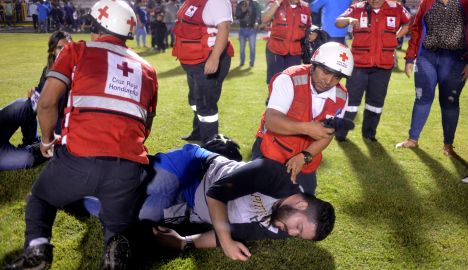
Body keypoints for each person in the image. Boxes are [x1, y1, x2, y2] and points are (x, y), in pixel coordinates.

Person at [6, 1, 158, 269]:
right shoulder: (148, 70)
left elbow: (46, 103)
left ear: (96, 26)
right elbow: (145, 127)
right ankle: (116, 249)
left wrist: (46, 141)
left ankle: (38, 249)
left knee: (41, 199)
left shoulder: (77, 50)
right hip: (127, 169)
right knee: (118, 229)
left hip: (78, 159)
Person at [82, 142, 335, 262]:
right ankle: (84, 169)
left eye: (298, 235)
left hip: (190, 208)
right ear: (301, 205)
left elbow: (234, 232)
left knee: (142, 214)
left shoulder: (281, 226)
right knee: (143, 186)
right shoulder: (274, 175)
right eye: (298, 227)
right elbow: (217, 194)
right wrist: (226, 243)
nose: (291, 233)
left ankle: (77, 199)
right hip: (194, 168)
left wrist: (185, 243)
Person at [251, 42, 354, 195]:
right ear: (314, 65)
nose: (328, 81)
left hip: (306, 157)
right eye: (325, 72)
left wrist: (304, 157)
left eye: (337, 77)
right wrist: (307, 128)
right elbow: (271, 121)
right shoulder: (289, 78)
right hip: (272, 149)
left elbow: (327, 134)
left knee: (304, 204)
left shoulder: (341, 95)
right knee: (260, 200)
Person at [395, 0, 468, 156]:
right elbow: (417, 28)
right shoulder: (427, 2)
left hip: (456, 60)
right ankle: (412, 139)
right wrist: (409, 58)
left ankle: (448, 145)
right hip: (427, 57)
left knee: (449, 102)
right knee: (422, 97)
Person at [334, 0, 412, 142]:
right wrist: (349, 19)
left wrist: (397, 36)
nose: (375, 1)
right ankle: (341, 132)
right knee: (351, 100)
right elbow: (338, 22)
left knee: (375, 102)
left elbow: (409, 22)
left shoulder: (396, 8)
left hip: (383, 66)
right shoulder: (357, 8)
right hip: (358, 65)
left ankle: (369, 134)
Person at [0, 30, 71, 171]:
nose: (65, 51)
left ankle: (32, 141)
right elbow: (44, 104)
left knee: (23, 106)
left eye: (68, 47)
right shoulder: (48, 71)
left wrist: (36, 97)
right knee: (29, 159)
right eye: (60, 47)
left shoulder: (73, 71)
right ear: (52, 51)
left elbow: (40, 104)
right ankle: (37, 147)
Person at [172, 0, 234, 143]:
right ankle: (198, 132)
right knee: (194, 99)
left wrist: (214, 58)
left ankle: (210, 142)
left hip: (207, 59)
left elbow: (224, 28)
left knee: (206, 103)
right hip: (192, 60)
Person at [262, 0, 311, 84]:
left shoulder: (305, 7)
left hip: (295, 52)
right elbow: (264, 19)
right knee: (275, 81)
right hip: (275, 50)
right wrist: (277, 2)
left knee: (291, 82)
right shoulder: (275, 3)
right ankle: (272, 97)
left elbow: (308, 27)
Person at [235, 0, 261, 67]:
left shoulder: (255, 4)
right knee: (242, 48)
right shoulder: (240, 4)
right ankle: (242, 62)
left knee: (252, 47)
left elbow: (258, 14)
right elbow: (237, 15)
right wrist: (243, 12)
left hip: (251, 29)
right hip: (242, 29)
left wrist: (257, 22)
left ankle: (251, 62)